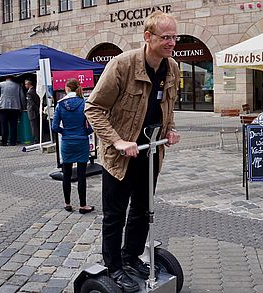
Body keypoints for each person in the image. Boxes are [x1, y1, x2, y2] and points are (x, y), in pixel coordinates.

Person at [84, 11, 181, 292]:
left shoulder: (171, 67)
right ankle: (113, 266)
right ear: (148, 37)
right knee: (115, 214)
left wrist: (169, 129)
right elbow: (93, 108)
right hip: (121, 156)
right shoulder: (122, 65)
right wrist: (117, 141)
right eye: (166, 37)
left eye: (174, 36)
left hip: (150, 151)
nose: (172, 42)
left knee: (142, 209)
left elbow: (168, 105)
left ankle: (131, 257)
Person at [52, 79, 94, 214]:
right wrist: (84, 132)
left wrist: (65, 133)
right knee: (81, 175)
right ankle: (83, 205)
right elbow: (91, 126)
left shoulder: (60, 105)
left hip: (67, 142)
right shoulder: (84, 103)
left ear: (67, 89)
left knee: (67, 174)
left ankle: (68, 203)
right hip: (81, 141)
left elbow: (54, 127)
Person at [0, 76, 26, 146]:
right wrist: (23, 107)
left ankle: (4, 142)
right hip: (15, 107)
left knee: (4, 125)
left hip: (3, 107)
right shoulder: (18, 85)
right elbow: (22, 97)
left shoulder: (1, 84)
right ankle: (13, 142)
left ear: (5, 78)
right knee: (13, 126)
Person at [24, 79, 41, 144]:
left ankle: (36, 140)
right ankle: (37, 138)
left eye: (26, 84)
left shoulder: (29, 92)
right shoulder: (35, 91)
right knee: (36, 126)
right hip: (36, 111)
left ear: (29, 84)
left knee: (34, 127)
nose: (25, 85)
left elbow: (31, 103)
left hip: (32, 112)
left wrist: (37, 109)